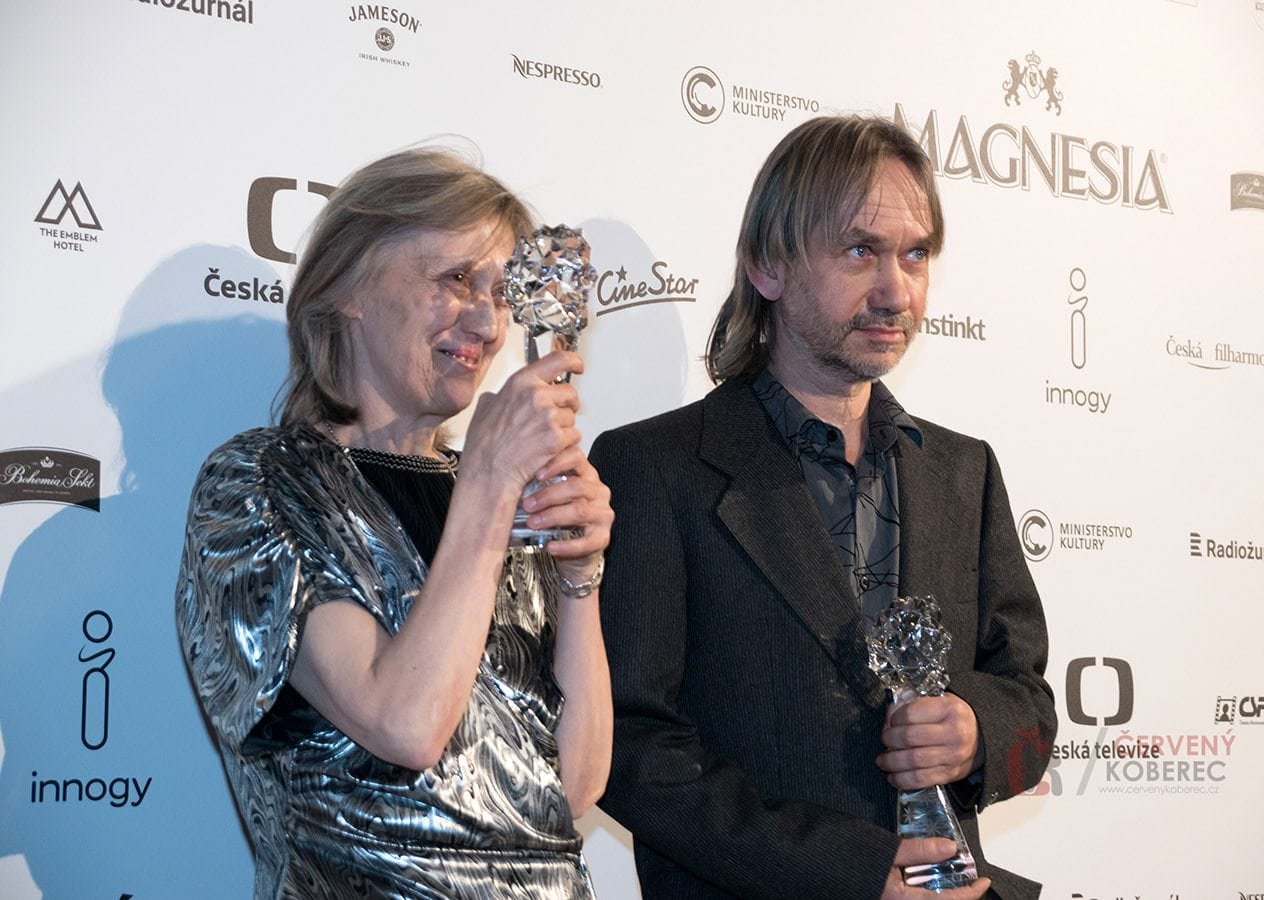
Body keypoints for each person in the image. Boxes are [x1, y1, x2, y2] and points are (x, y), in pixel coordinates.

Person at [590, 116, 1055, 899]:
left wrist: (975, 731)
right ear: (768, 265)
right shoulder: (654, 468)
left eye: (915, 254)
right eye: (860, 251)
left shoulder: (963, 471)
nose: (896, 291)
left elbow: (1031, 708)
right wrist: (854, 871)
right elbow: (629, 748)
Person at [176, 147, 613, 899]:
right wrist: (489, 482)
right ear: (347, 286)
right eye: (456, 279)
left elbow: (572, 790)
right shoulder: (259, 484)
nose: (487, 320)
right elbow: (405, 725)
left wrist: (579, 576)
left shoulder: (493, 490)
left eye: (500, 292)